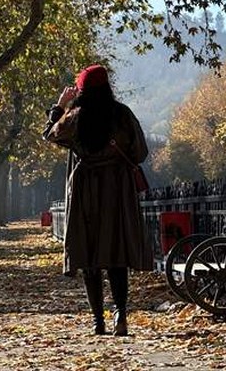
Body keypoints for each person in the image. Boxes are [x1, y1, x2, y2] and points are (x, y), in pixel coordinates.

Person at [43, 64, 152, 336]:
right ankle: (120, 315)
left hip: (86, 190)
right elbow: (140, 152)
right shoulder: (122, 115)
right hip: (117, 190)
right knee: (116, 254)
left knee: (89, 254)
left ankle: (97, 321)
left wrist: (60, 106)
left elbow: (51, 134)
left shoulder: (75, 117)